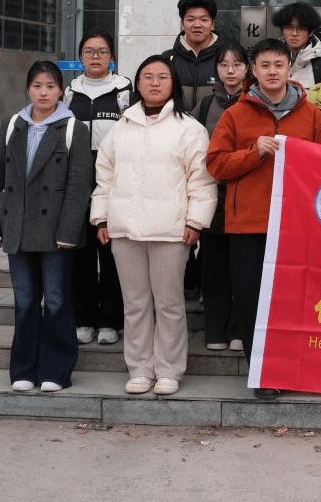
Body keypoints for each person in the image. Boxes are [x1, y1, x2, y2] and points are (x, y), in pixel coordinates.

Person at [206, 38, 321, 398]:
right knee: (251, 300)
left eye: (279, 64)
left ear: (289, 68)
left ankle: (290, 369)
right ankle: (261, 372)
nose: (272, 72)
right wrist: (253, 152)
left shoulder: (311, 115)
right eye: (265, 65)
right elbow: (215, 164)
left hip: (294, 224)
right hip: (248, 223)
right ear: (253, 71)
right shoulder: (236, 114)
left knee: (290, 300)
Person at [90, 55, 217, 398]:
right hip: (124, 230)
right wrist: (101, 218)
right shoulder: (122, 126)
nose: (155, 83)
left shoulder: (189, 128)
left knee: (169, 304)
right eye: (147, 76)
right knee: (135, 304)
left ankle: (169, 370)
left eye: (162, 76)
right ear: (138, 83)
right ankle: (140, 369)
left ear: (173, 83)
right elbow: (104, 176)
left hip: (170, 232)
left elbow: (202, 181)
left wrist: (195, 222)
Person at [0, 60, 93, 393]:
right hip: (17, 226)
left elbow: (79, 186)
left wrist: (69, 231)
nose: (43, 92)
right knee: (25, 301)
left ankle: (56, 371)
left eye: (50, 86)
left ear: (61, 90)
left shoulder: (73, 128)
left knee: (57, 300)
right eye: (37, 86)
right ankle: (23, 368)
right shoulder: (11, 125)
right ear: (28, 89)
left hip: (56, 231)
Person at [63, 30, 129, 347]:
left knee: (111, 252)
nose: (95, 56)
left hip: (113, 179)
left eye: (102, 51)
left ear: (111, 56)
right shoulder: (69, 92)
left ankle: (111, 321)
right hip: (77, 179)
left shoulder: (124, 89)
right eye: (89, 51)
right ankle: (84, 319)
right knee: (82, 254)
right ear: (80, 57)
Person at [192, 43, 250, 353]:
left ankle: (239, 329)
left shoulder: (255, 101)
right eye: (224, 65)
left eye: (236, 64)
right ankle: (215, 329)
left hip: (245, 194)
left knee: (242, 268)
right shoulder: (204, 105)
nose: (230, 70)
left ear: (247, 69)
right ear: (216, 69)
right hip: (212, 193)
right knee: (213, 266)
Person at [165, 0, 225, 110]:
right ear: (182, 23)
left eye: (204, 19)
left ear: (212, 23)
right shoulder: (168, 59)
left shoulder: (226, 58)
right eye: (190, 19)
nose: (197, 25)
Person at [272, 1, 321, 89]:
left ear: (310, 32)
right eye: (289, 28)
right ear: (282, 31)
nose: (294, 33)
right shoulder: (270, 60)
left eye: (301, 28)